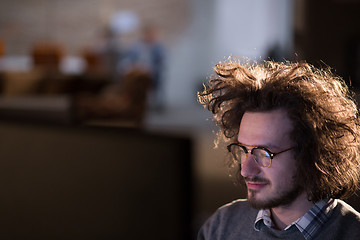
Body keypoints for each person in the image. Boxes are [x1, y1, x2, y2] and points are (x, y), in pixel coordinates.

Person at [197, 59, 360, 240]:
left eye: (264, 153)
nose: (245, 170)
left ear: (312, 154)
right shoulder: (223, 226)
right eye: (243, 150)